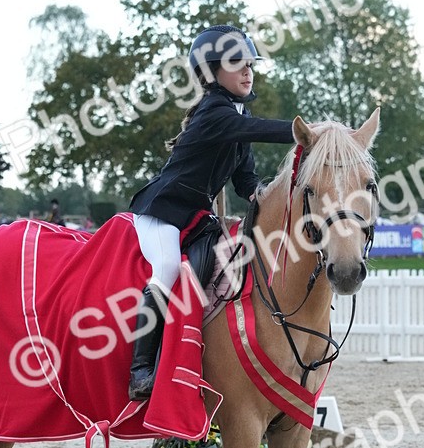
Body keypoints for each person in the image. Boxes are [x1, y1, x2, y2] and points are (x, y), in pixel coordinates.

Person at [127, 24, 298, 400]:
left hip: (196, 219)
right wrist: (310, 132)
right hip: (162, 213)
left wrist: (263, 197)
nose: (248, 72)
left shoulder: (236, 114)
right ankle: (140, 370)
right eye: (237, 64)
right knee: (167, 268)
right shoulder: (214, 113)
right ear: (211, 72)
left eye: (250, 64)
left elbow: (245, 180)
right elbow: (261, 130)